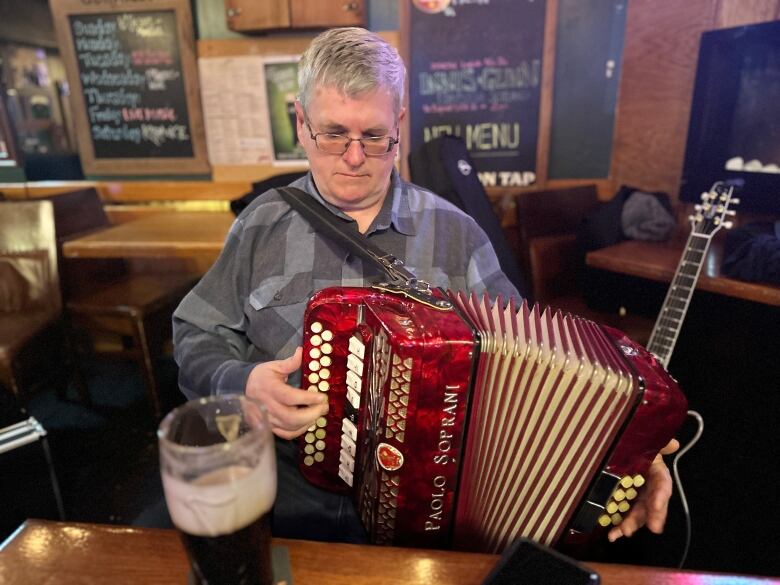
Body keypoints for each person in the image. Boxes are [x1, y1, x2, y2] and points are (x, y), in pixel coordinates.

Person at [172, 26, 676, 546]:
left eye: (373, 136)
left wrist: (623, 456)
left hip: (430, 515)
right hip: (287, 497)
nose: (352, 157)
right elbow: (195, 334)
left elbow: (548, 371)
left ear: (400, 126)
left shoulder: (456, 232)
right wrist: (244, 382)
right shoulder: (262, 223)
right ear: (301, 124)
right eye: (332, 133)